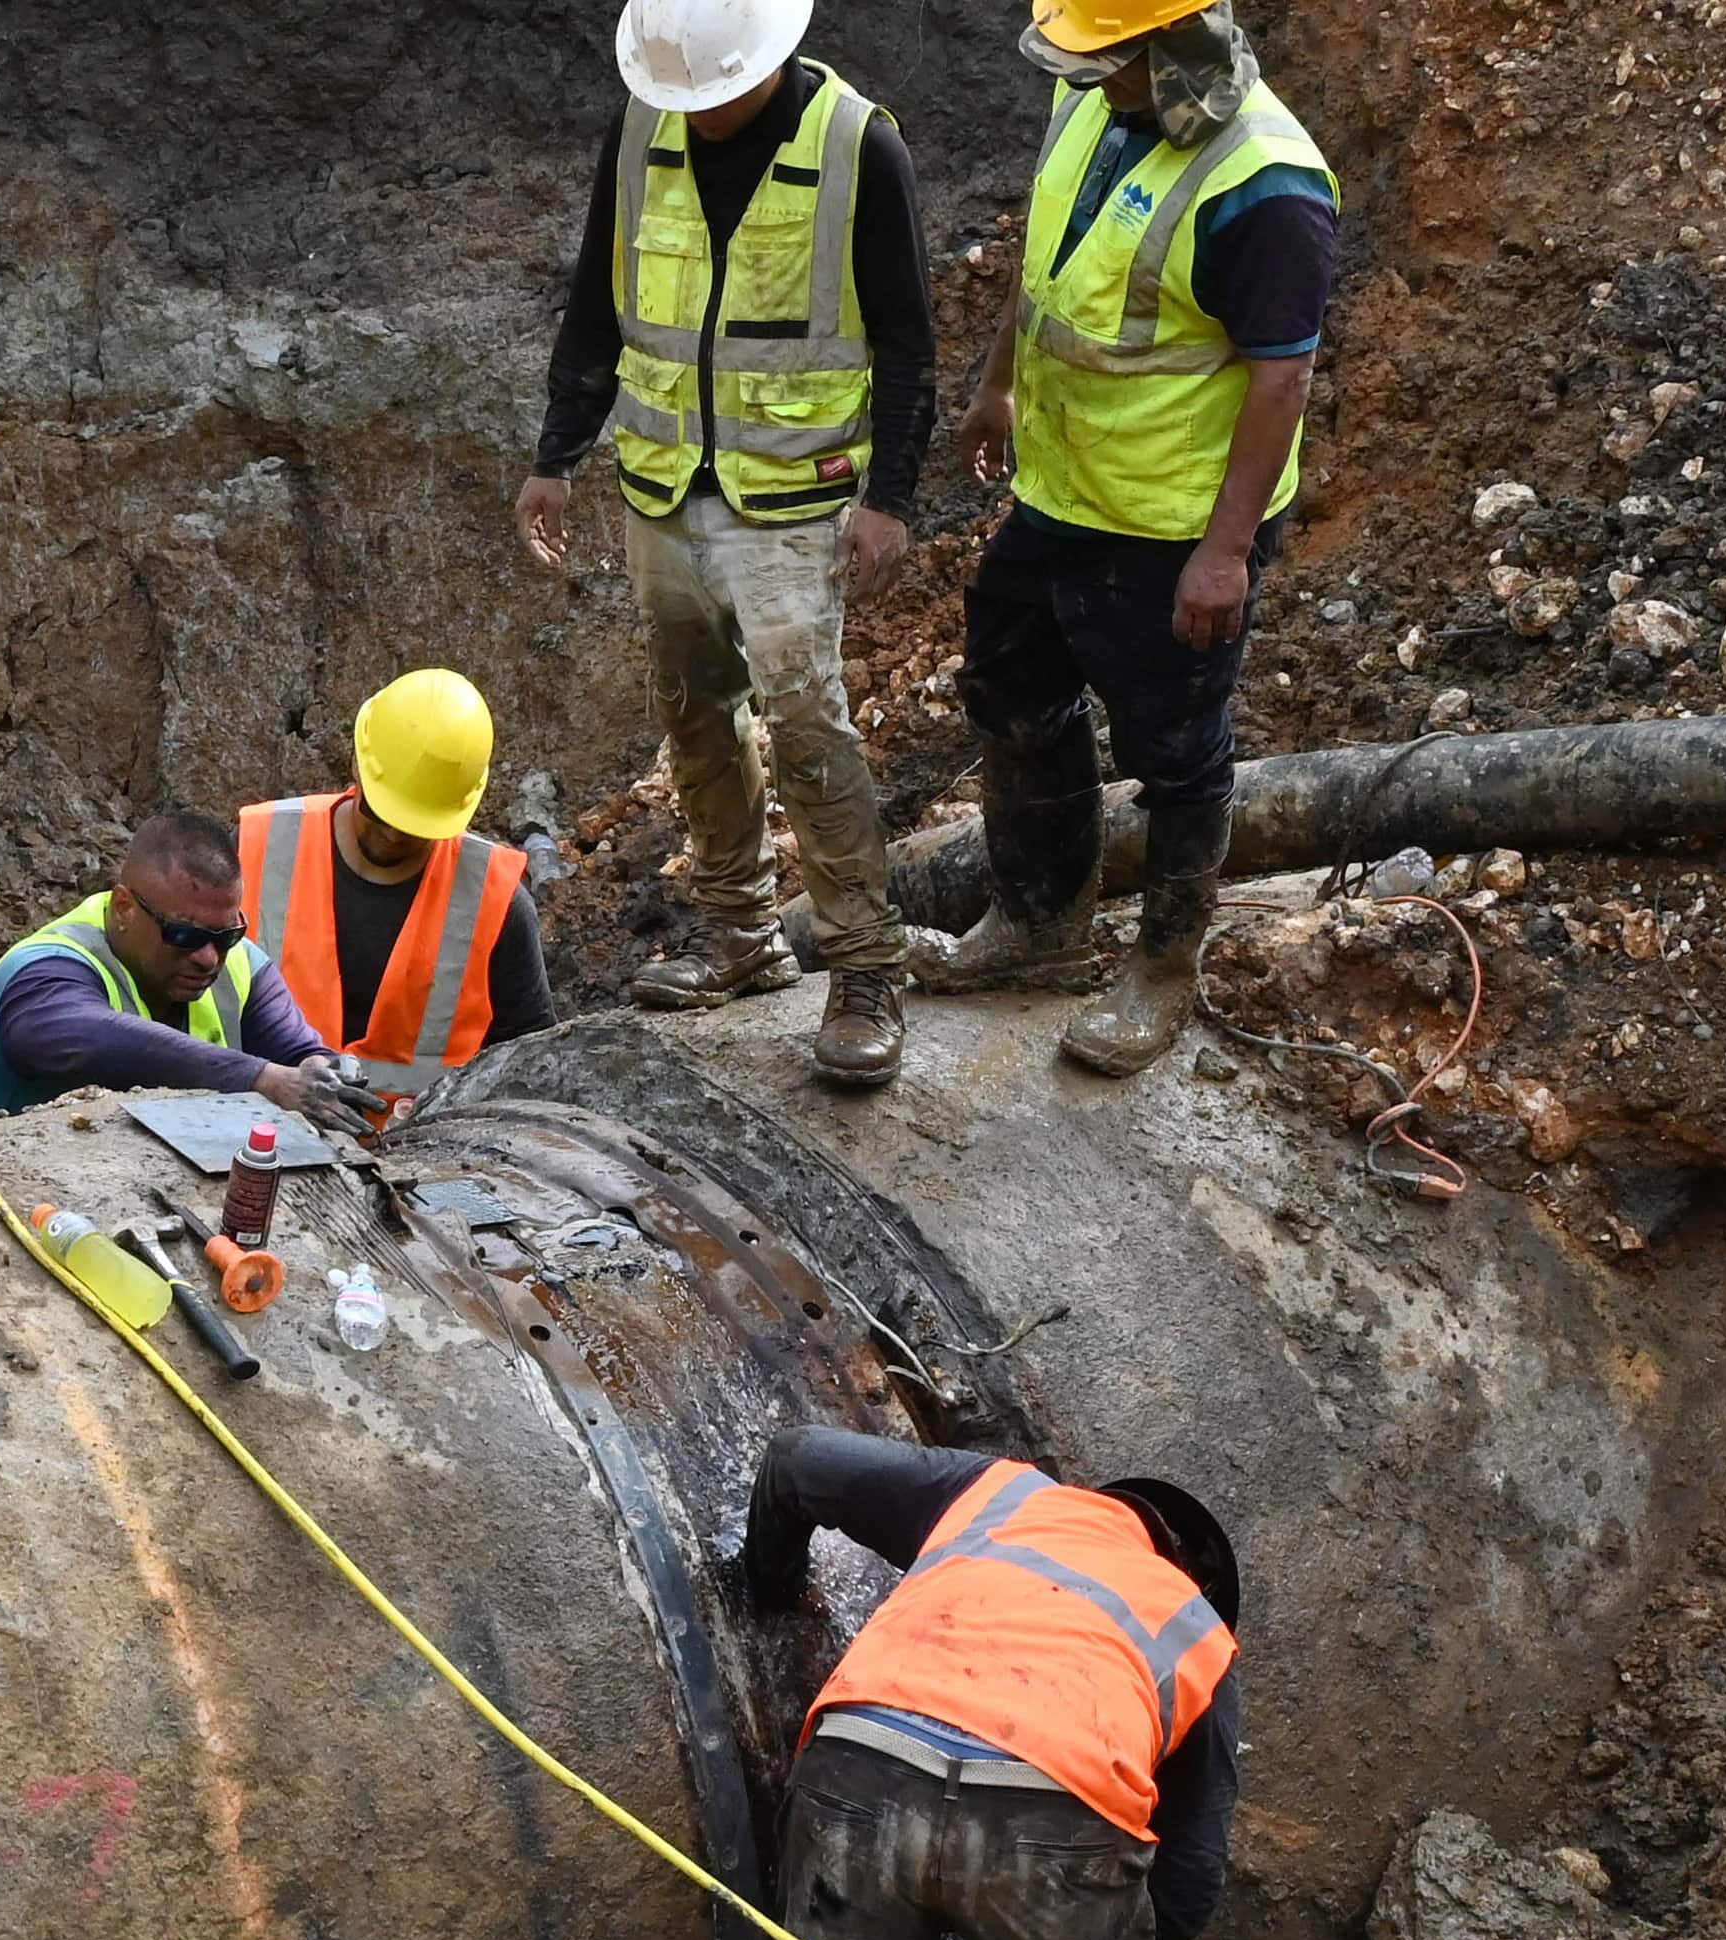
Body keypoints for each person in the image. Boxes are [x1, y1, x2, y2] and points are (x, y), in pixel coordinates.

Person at [514, 0, 941, 1086]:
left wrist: (890, 495)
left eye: (716, 96)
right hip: (662, 487)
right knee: (693, 719)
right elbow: (594, 302)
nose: (696, 116)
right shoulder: (645, 123)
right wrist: (557, 453)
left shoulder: (857, 148)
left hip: (791, 500)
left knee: (808, 723)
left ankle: (861, 967)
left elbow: (907, 339)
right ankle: (741, 937)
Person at [912, 0, 1342, 1078]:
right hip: (1063, 489)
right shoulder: (1091, 93)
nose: (1086, 75)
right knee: (1011, 682)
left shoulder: (1266, 189)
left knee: (1176, 746)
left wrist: (1226, 553)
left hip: (1168, 526)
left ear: (1173, 46)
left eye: (1108, 59)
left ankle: (1160, 968)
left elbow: (1282, 376)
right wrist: (1001, 379)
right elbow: (1050, 255)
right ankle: (1040, 924)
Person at [738, 1424, 1243, 1940]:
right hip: (1056, 1812)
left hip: (858, 1767)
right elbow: (1188, 1884)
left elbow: (796, 1458)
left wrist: (770, 1594)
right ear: (1193, 1571)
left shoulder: (998, 1497)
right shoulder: (1197, 1631)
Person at [239, 669, 557, 1109]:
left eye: (414, 825)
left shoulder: (496, 901)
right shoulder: (255, 849)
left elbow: (532, 1067)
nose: (391, 835)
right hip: (257, 1135)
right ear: (356, 762)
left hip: (424, 1160)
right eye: (379, 810)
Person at [0, 810, 387, 1127]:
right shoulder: (41, 975)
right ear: (124, 907)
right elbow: (100, 1041)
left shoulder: (239, 967)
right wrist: (261, 1078)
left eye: (226, 936)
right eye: (184, 935)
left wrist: (323, 1071)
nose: (208, 958)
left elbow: (295, 1053)